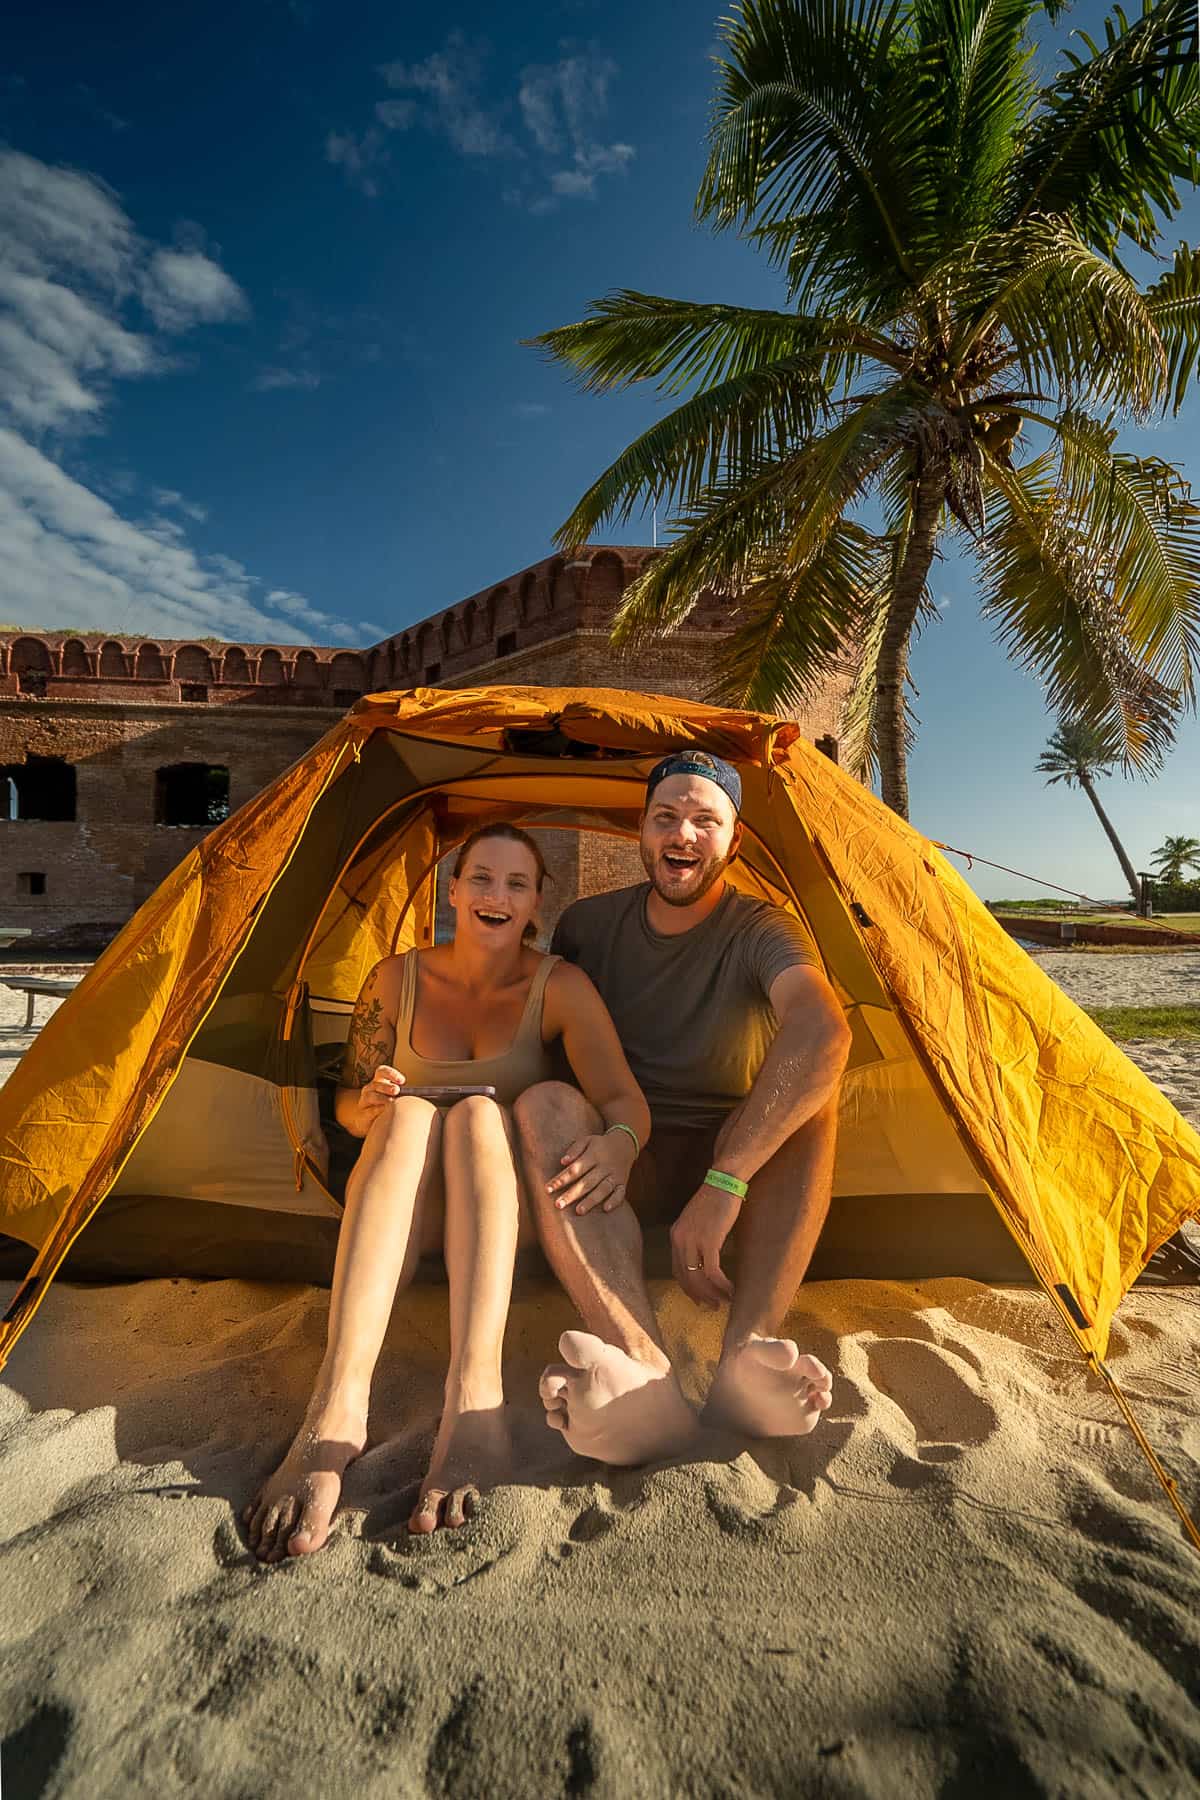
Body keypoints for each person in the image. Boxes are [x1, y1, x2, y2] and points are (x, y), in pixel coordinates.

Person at [242, 823, 649, 1559]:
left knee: (478, 1120)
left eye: (516, 884)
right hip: (408, 1219)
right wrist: (365, 1105)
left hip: (508, 1220)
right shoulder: (395, 978)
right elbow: (343, 1109)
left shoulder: (558, 986)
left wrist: (619, 1144)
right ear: (452, 891)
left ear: (535, 906)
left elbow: (624, 1099)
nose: (497, 896)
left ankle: (474, 1402)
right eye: (482, 879)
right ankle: (335, 1408)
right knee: (402, 1120)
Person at [514, 752, 852, 1466]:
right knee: (546, 1104)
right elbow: (539, 1040)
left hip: (730, 1164)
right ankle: (644, 1368)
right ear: (641, 829)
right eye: (666, 816)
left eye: (706, 820)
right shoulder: (586, 926)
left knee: (811, 1102)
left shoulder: (762, 928)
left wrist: (725, 1183)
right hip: (619, 1159)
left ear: (733, 841)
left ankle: (744, 1360)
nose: (684, 833)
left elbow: (823, 1029)